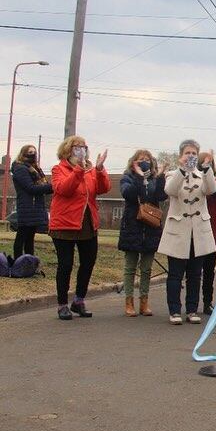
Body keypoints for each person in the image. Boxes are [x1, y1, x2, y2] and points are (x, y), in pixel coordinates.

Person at [48, 136, 110, 320]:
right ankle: (62, 304)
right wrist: (78, 170)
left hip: (87, 223)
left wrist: (99, 169)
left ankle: (78, 300)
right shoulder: (58, 169)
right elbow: (64, 189)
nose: (81, 150)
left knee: (88, 262)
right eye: (77, 147)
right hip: (64, 224)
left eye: (84, 147)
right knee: (65, 265)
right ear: (68, 149)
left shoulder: (90, 169)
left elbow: (103, 188)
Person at [158, 140, 216, 325]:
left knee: (195, 274)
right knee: (175, 274)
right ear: (180, 156)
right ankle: (174, 310)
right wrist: (183, 171)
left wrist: (207, 169)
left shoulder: (203, 175)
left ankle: (192, 309)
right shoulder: (172, 175)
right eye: (187, 153)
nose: (191, 156)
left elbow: (212, 190)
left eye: (194, 153)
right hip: (178, 230)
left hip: (198, 231)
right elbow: (170, 190)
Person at [117, 149, 167, 317]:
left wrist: (160, 177)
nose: (144, 161)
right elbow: (129, 194)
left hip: (151, 227)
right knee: (130, 267)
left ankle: (144, 301)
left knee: (146, 268)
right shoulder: (127, 177)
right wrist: (139, 177)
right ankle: (129, 301)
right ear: (134, 162)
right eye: (141, 159)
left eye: (147, 159)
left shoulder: (154, 178)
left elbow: (161, 196)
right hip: (133, 226)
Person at [10, 144, 52, 259]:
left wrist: (52, 188)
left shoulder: (35, 169)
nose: (32, 154)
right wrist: (52, 187)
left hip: (34, 207)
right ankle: (18, 261)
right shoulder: (20, 168)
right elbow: (30, 188)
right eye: (30, 152)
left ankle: (29, 262)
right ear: (23, 153)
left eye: (34, 152)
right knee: (22, 236)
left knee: (30, 238)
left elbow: (42, 187)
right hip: (27, 206)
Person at [199, 152, 216, 315]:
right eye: (205, 161)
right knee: (193, 271)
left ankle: (207, 302)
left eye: (211, 161)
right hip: (196, 230)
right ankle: (191, 303)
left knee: (209, 271)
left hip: (212, 231)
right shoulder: (195, 178)